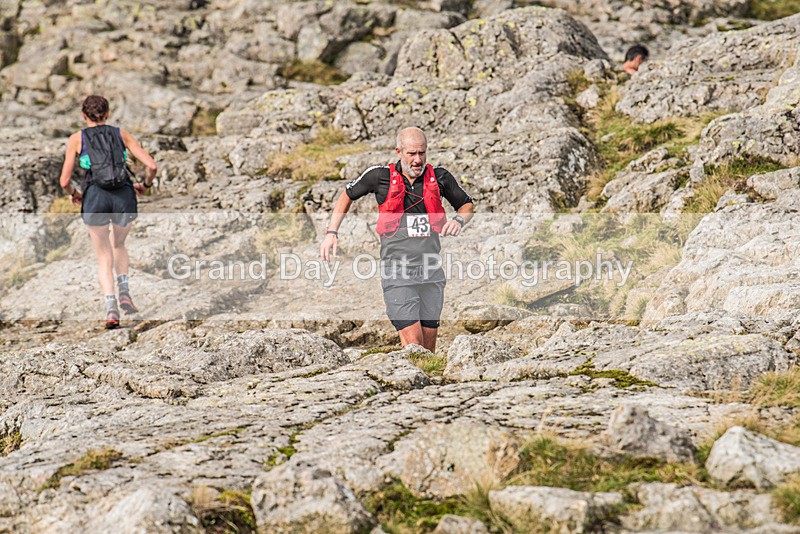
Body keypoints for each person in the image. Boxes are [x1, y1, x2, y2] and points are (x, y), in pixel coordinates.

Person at [320, 127, 474, 353]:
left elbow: (467, 205)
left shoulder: (440, 177)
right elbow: (347, 195)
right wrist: (331, 233)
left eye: (422, 153)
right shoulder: (379, 176)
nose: (418, 159)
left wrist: (459, 220)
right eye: (411, 154)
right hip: (397, 272)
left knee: (429, 347)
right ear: (399, 152)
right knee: (415, 345)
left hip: (431, 271)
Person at [58, 95, 157, 329]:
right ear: (108, 114)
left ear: (84, 116)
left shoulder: (77, 139)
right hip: (123, 197)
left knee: (104, 256)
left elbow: (64, 181)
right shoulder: (121, 134)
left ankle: (111, 308)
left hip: (95, 198)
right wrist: (145, 185)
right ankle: (125, 292)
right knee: (119, 245)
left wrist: (75, 194)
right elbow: (152, 166)